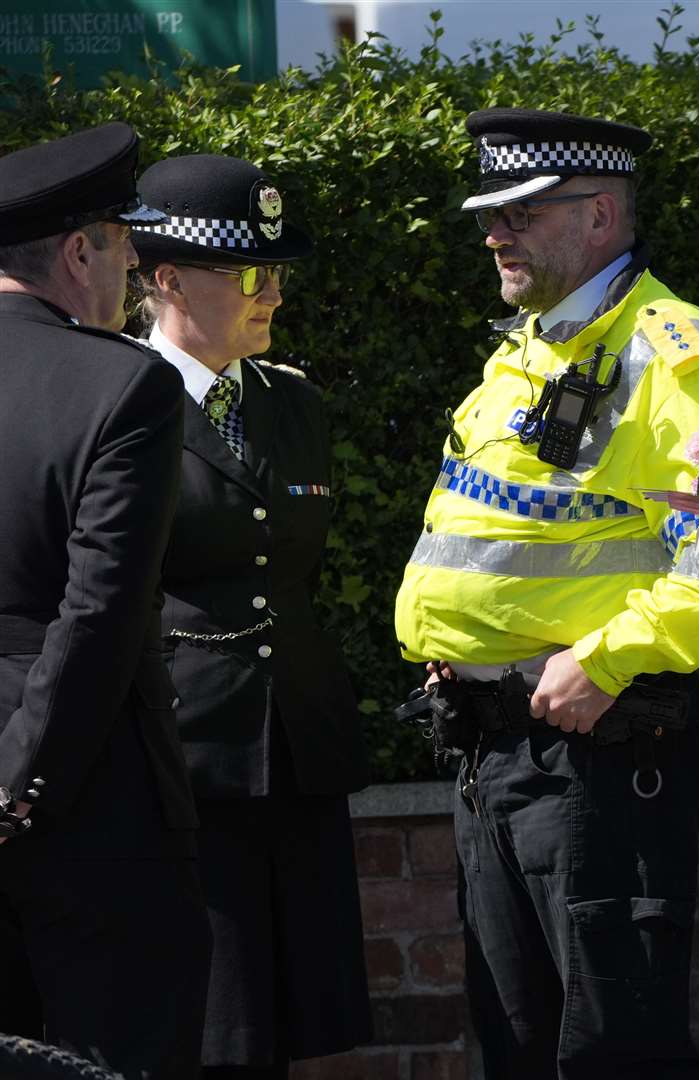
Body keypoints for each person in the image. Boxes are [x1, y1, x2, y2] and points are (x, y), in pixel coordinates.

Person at [393, 109, 699, 1078]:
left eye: (519, 213)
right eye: (489, 214)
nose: (494, 234)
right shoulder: (526, 351)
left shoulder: (673, 350)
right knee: (516, 1049)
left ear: (600, 213)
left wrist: (603, 660)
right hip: (494, 752)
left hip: (596, 761)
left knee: (612, 1055)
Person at [129, 154, 373, 1079]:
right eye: (245, 272)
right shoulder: (121, 399)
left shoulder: (292, 401)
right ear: (166, 279)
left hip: (297, 753)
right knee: (209, 1025)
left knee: (287, 1023)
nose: (270, 291)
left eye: (277, 271)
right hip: (188, 758)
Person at [0, 122, 213, 1077]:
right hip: (87, 812)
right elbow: (100, 615)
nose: (131, 272)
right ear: (80, 252)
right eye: (127, 248)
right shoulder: (123, 383)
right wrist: (15, 785)